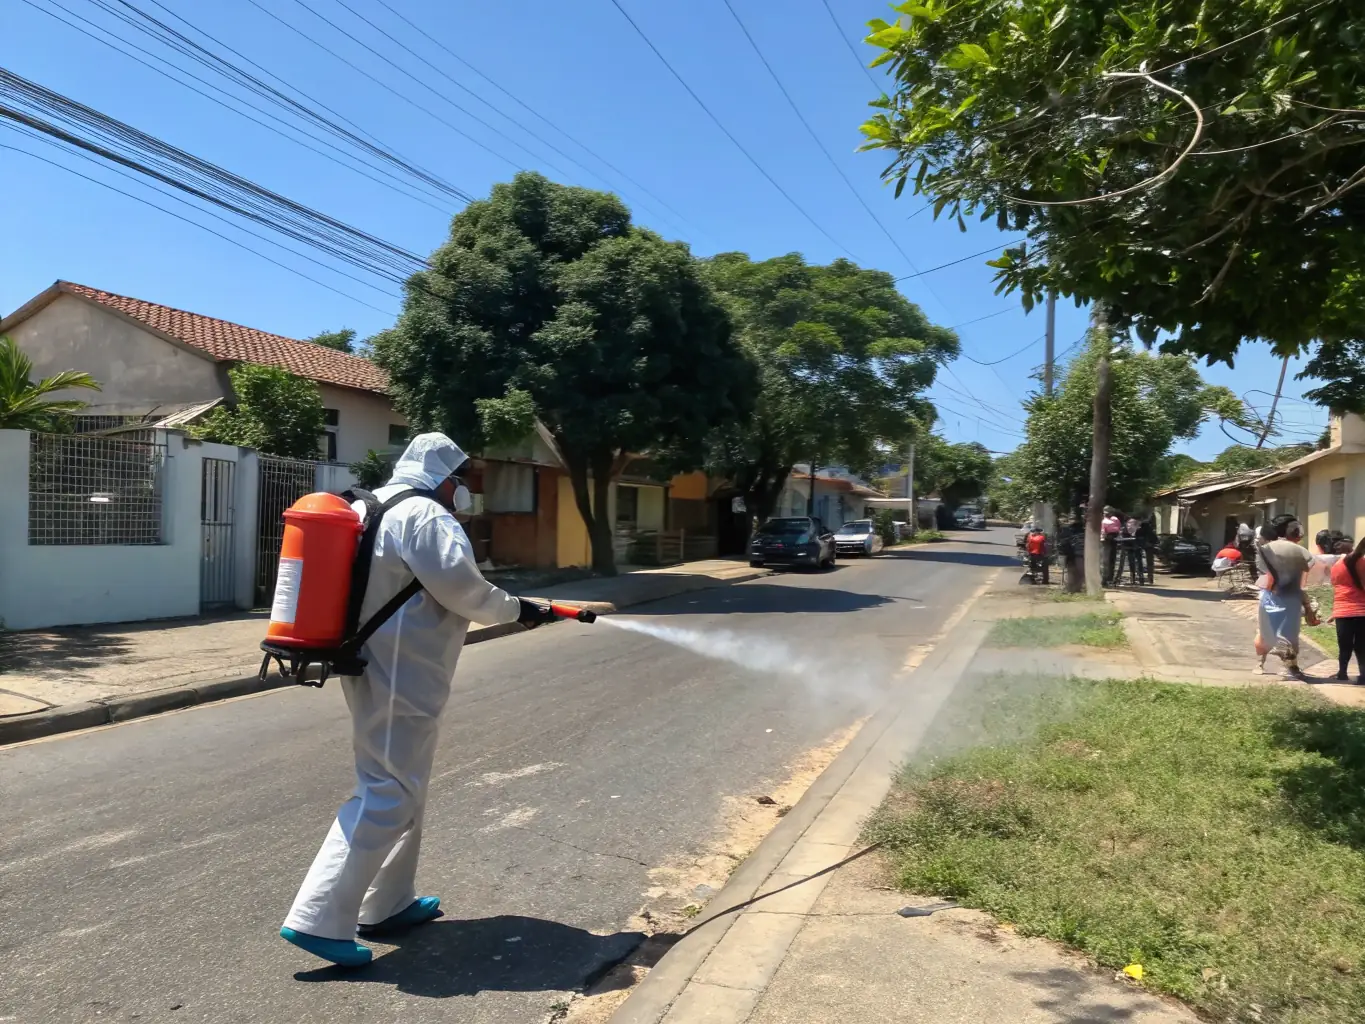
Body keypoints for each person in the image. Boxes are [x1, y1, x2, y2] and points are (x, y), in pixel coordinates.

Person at [280, 433, 557, 967]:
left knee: (407, 786)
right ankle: (315, 919)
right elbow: (464, 589)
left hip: (373, 661)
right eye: (463, 482)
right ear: (445, 479)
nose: (466, 493)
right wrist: (518, 608)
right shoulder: (426, 516)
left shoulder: (367, 506)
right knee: (387, 790)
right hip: (401, 671)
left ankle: (387, 902)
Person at [1254, 519, 1316, 678]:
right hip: (1291, 597)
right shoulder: (1299, 550)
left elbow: (1261, 568)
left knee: (1265, 631)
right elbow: (1309, 565)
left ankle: (1260, 664)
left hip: (1269, 594)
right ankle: (1292, 666)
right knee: (1290, 633)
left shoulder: (1265, 548)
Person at [1330, 536, 1365, 682]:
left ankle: (1342, 673)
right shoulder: (1363, 563)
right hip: (1362, 610)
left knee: (1344, 646)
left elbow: (1337, 587)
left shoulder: (1336, 566)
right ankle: (1364, 675)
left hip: (1343, 611)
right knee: (1362, 646)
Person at [1101, 508, 1123, 584]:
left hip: (1110, 538)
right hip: (1108, 538)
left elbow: (1118, 528)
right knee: (1107, 559)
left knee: (1110, 559)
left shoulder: (1113, 519)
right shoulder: (1105, 520)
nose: (1106, 514)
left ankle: (1108, 577)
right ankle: (1106, 577)